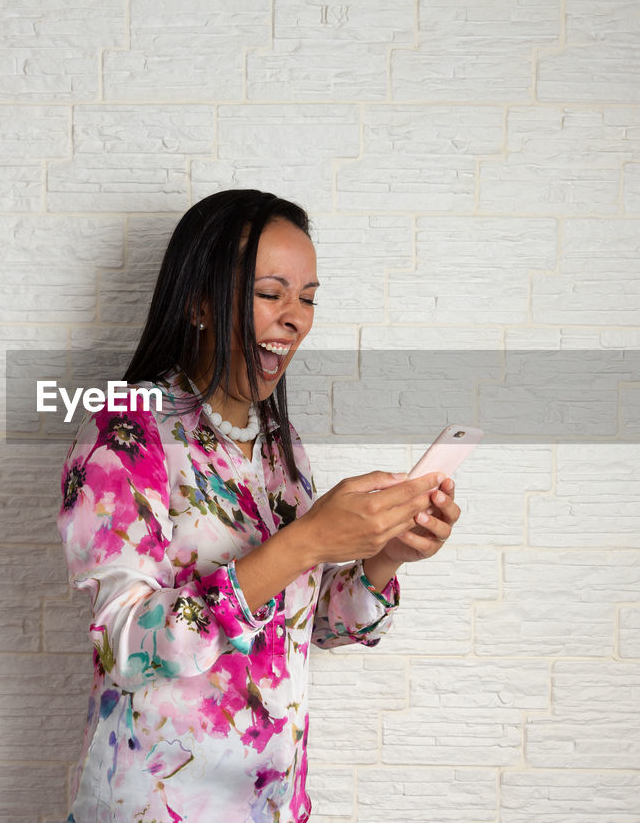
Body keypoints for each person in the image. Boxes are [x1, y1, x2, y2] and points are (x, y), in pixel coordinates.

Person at [56, 189, 461, 821]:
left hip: (272, 804)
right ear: (199, 302)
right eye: (271, 294)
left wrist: (385, 556)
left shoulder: (280, 449)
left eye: (307, 298)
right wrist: (304, 543)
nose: (295, 318)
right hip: (154, 806)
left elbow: (308, 627)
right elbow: (124, 648)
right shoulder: (126, 431)